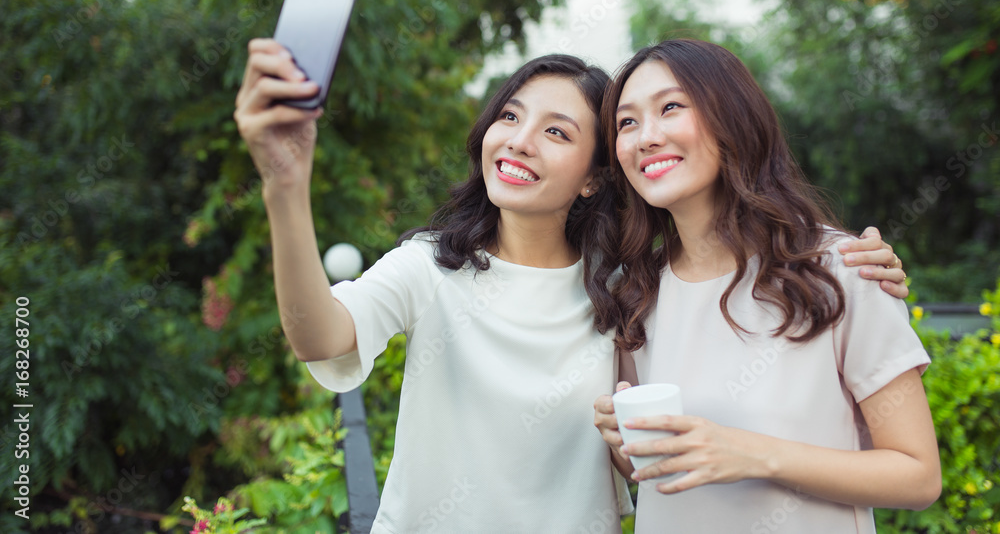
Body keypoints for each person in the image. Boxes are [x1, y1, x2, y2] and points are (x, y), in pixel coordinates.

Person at [233, 38, 907, 533]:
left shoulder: (627, 289)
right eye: (509, 116)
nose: (520, 141)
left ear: (593, 174)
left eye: (557, 131)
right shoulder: (431, 265)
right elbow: (317, 333)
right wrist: (285, 190)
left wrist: (846, 260)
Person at [592, 39, 940, 533]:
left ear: (731, 118)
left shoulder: (841, 269)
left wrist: (752, 454)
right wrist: (622, 443)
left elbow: (918, 476)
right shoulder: (634, 292)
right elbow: (647, 472)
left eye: (671, 107)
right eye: (627, 122)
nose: (646, 136)